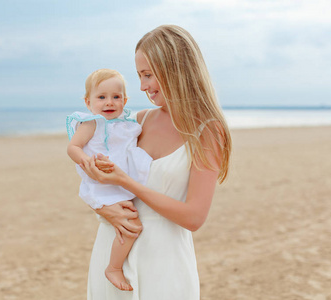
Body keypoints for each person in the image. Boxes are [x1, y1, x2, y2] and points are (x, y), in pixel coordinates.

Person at [79, 25, 232, 300]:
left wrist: (125, 181)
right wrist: (105, 211)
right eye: (139, 75)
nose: (142, 86)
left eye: (148, 74)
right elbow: (96, 181)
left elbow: (194, 217)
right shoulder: (137, 122)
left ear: (175, 68)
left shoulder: (207, 130)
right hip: (111, 252)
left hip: (165, 262)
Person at [66, 69, 152, 291]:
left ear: (125, 100)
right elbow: (73, 147)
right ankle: (114, 267)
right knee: (132, 224)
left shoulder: (126, 125)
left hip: (120, 184)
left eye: (116, 97)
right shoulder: (91, 124)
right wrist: (86, 161)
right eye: (101, 97)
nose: (109, 102)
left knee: (130, 220)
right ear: (88, 102)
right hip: (101, 186)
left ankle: (117, 264)